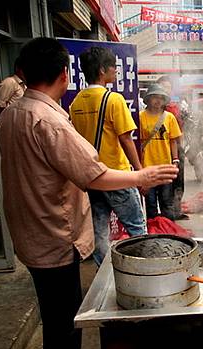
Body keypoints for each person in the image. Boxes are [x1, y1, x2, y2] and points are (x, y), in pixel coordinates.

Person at [0, 37, 177, 349]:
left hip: (30, 231)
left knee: (59, 310)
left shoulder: (11, 114)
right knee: (62, 319)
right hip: (54, 233)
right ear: (64, 73)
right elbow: (92, 173)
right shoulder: (48, 120)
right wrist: (141, 177)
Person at [69, 46, 146, 267]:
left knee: (99, 232)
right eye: (113, 67)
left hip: (91, 179)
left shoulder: (76, 103)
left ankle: (104, 274)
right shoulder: (114, 100)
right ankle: (140, 269)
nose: (116, 72)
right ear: (103, 70)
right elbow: (126, 139)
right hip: (117, 176)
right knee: (136, 227)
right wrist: (140, 173)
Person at [140, 84, 182, 220]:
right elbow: (138, 143)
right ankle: (154, 233)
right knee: (150, 203)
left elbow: (173, 141)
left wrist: (175, 160)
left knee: (167, 202)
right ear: (148, 99)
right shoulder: (140, 117)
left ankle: (169, 231)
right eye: (154, 97)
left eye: (161, 98)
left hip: (165, 166)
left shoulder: (169, 117)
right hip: (148, 166)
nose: (158, 101)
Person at [156, 75, 188, 220]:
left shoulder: (175, 107)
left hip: (177, 147)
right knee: (163, 183)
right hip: (160, 148)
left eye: (168, 88)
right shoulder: (151, 108)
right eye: (163, 87)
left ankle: (176, 210)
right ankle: (164, 213)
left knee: (178, 180)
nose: (166, 91)